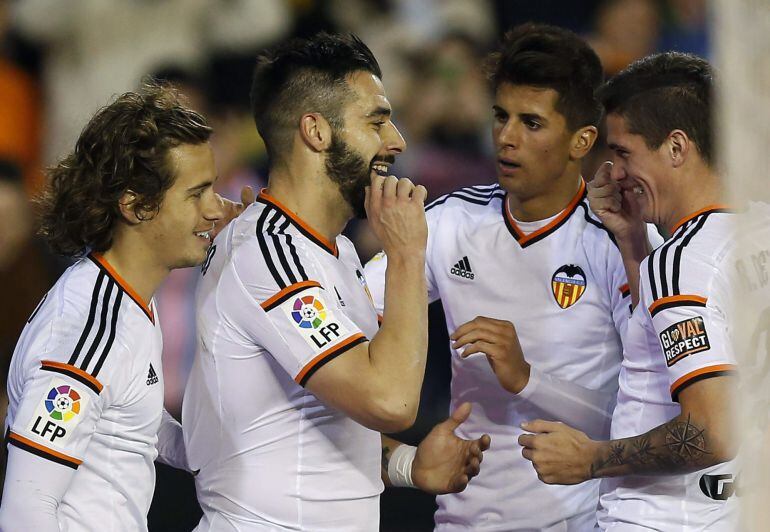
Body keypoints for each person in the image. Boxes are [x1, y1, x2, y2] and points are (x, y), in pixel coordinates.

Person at [181, 32, 489, 532]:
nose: (397, 141)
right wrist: (408, 253)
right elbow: (391, 401)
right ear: (317, 132)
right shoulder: (268, 254)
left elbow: (303, 428)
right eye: (377, 120)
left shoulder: (332, 251)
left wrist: (406, 465)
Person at [364, 23, 660, 531]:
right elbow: (347, 322)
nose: (506, 137)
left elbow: (642, 422)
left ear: (581, 140)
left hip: (581, 523)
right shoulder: (449, 223)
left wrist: (526, 378)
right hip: (461, 520)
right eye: (501, 116)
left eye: (532, 122)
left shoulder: (622, 243)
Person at [519, 52, 739, 530]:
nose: (614, 173)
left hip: (664, 518)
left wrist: (591, 458)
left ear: (677, 147)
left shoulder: (681, 260)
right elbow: (667, 346)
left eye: (623, 153)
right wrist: (632, 239)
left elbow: (715, 431)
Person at [0, 83, 224, 530]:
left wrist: (211, 449)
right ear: (135, 204)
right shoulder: (89, 330)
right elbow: (25, 513)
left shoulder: (128, 300)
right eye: (196, 194)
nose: (216, 209)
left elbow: (128, 416)